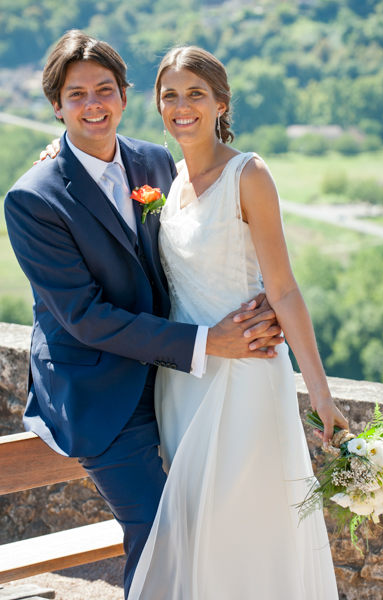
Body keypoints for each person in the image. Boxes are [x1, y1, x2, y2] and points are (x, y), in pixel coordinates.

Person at [4, 30, 284, 596]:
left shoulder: (155, 163)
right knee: (161, 533)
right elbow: (86, 317)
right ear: (56, 106)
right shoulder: (33, 198)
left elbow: (200, 243)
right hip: (99, 391)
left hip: (173, 384)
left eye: (104, 89)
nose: (93, 105)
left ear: (127, 97)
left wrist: (254, 309)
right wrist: (208, 342)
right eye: (76, 94)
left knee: (214, 526)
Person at [123, 46, 345, 599]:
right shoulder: (165, 184)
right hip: (183, 384)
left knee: (246, 528)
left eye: (195, 94)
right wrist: (54, 149)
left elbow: (284, 288)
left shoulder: (249, 174)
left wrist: (318, 390)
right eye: (170, 96)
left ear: (221, 102)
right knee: (198, 533)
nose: (182, 107)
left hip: (248, 378)